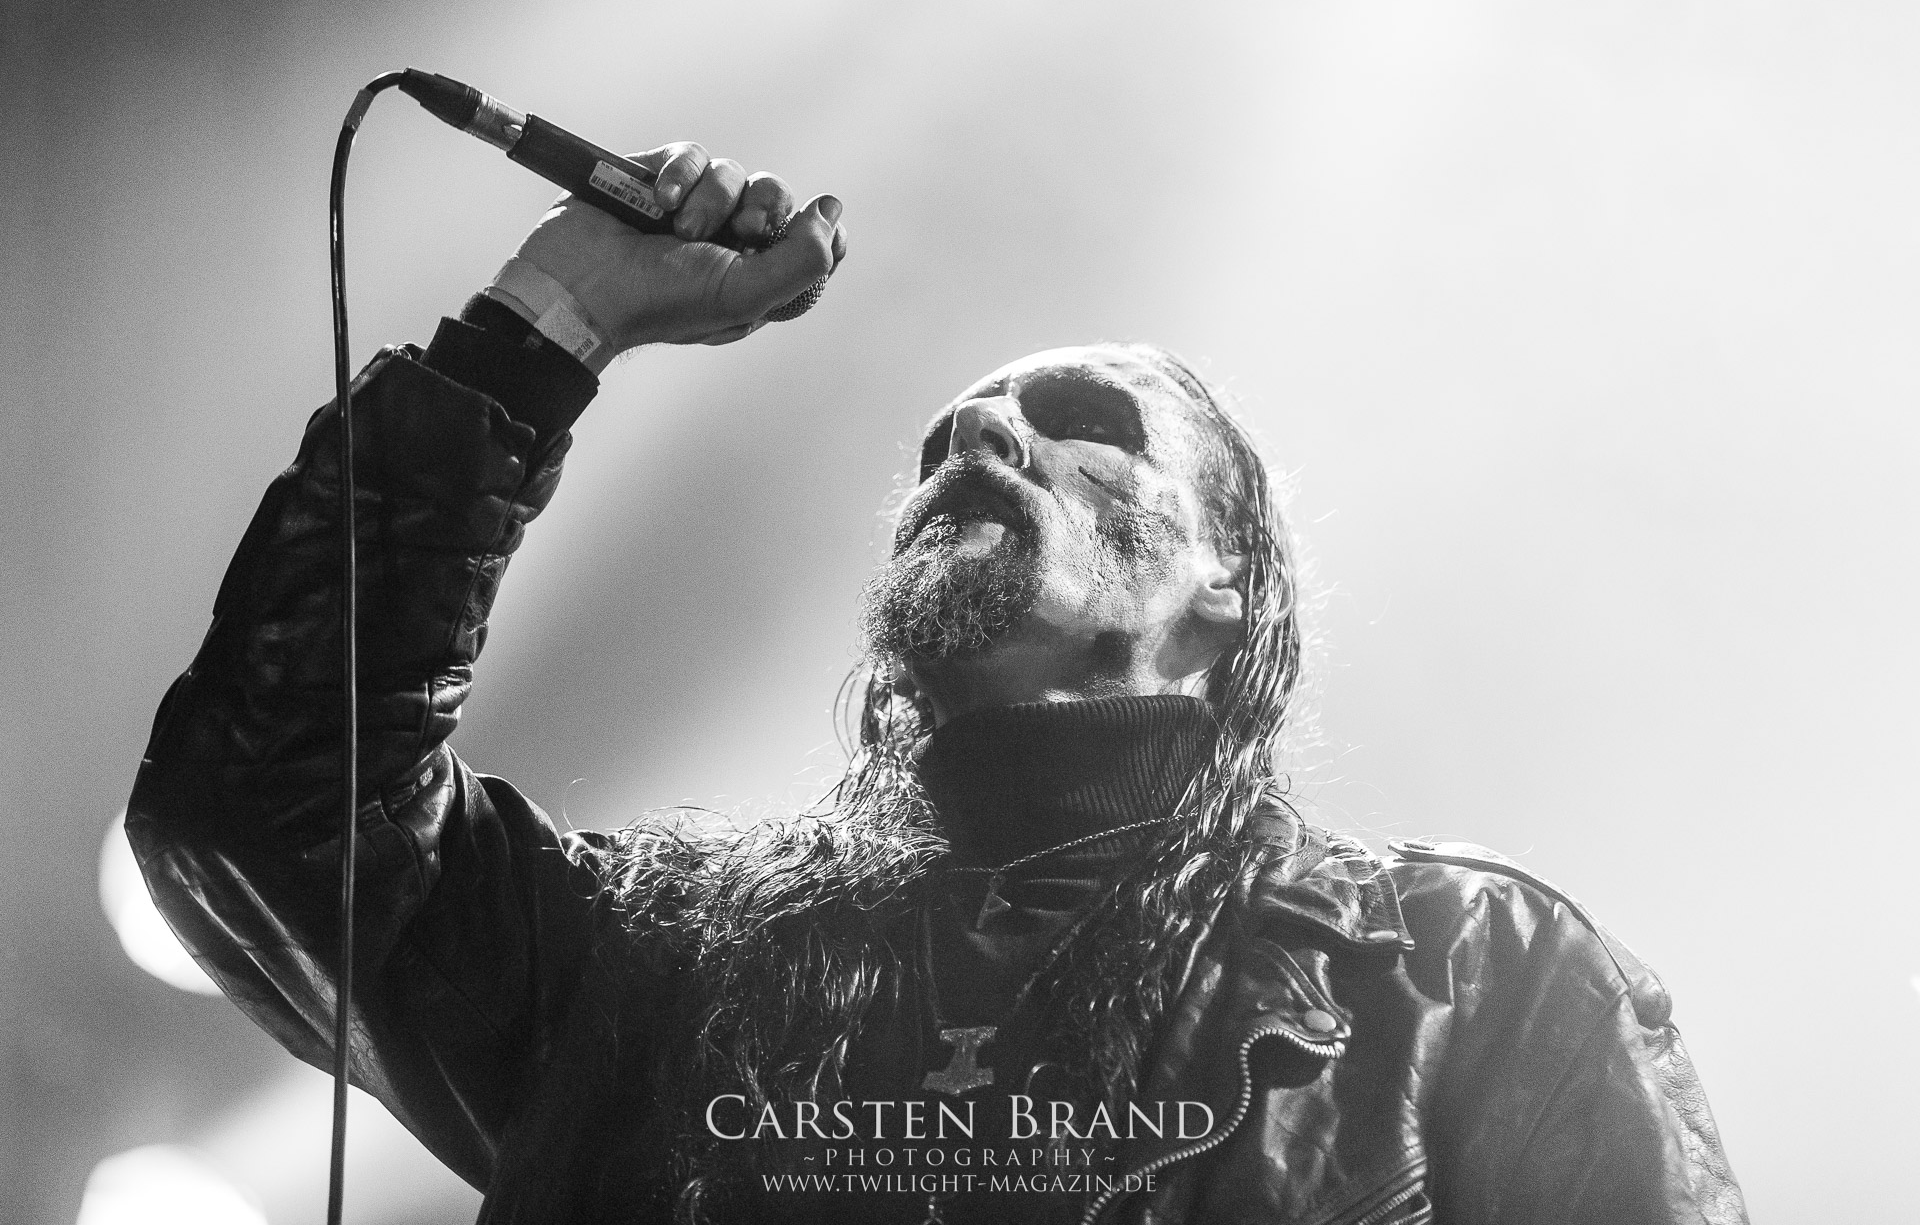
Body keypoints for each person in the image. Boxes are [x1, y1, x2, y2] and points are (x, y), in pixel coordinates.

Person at [128, 143, 1747, 1225]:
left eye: (1082, 423)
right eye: (945, 438)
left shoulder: (1465, 973)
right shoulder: (658, 965)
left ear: (1229, 589)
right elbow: (264, 806)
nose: (976, 434)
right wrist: (560, 315)